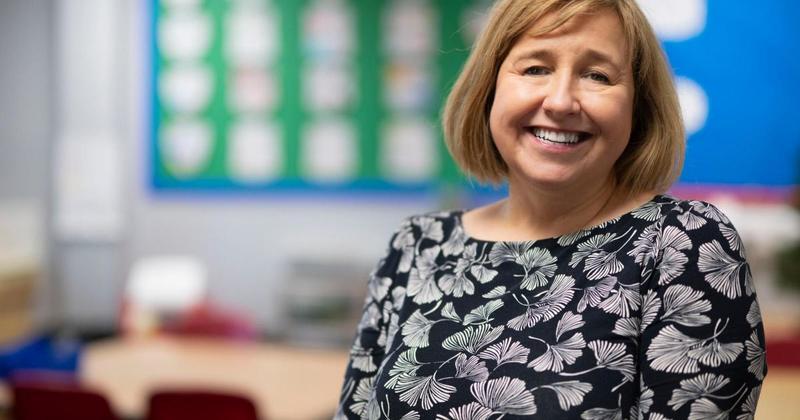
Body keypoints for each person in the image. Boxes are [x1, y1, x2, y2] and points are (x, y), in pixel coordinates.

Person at [335, 0, 767, 418]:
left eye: (597, 75)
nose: (560, 102)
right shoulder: (417, 247)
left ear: (637, 106)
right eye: (536, 68)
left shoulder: (682, 244)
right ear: (489, 88)